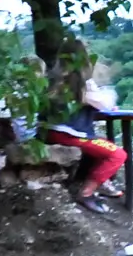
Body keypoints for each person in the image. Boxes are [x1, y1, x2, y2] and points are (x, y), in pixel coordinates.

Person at [45, 79, 127, 213]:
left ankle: (87, 181)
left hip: (52, 130)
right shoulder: (80, 86)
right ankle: (86, 193)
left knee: (103, 143)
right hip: (67, 133)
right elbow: (103, 103)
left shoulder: (56, 82)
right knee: (118, 154)